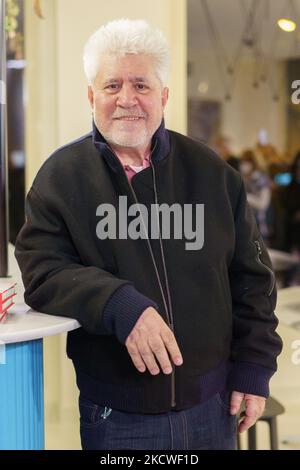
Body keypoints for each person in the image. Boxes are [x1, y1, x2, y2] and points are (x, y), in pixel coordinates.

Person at [15, 19, 282, 450]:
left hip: (214, 408)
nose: (126, 100)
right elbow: (42, 272)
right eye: (111, 86)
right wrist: (121, 304)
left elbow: (251, 278)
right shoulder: (61, 178)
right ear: (91, 96)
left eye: (140, 85)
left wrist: (254, 367)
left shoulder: (212, 174)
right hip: (117, 415)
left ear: (164, 95)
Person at [240, 149, 272, 244]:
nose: (244, 165)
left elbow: (263, 204)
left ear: (253, 163)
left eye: (247, 162)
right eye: (243, 162)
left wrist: (246, 196)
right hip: (245, 224)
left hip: (259, 224)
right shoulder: (241, 178)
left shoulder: (262, 180)